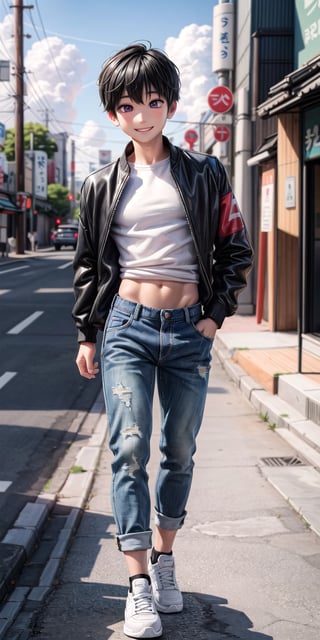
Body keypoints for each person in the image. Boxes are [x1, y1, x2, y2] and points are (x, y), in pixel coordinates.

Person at [72, 43, 253, 639]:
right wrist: (88, 332)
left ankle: (167, 561)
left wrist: (215, 314)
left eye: (153, 102)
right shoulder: (100, 183)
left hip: (188, 331)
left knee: (179, 449)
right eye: (128, 105)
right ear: (112, 113)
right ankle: (137, 583)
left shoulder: (205, 172)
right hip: (126, 326)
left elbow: (234, 245)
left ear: (171, 104)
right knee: (128, 448)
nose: (143, 115)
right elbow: (87, 264)